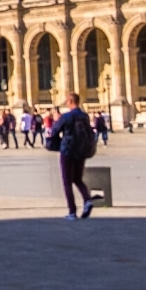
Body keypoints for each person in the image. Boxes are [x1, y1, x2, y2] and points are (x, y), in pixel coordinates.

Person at [47, 92, 95, 220]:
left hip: (67, 150)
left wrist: (56, 120)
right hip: (81, 150)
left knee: (67, 182)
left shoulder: (66, 117)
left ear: (69, 102)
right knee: (78, 179)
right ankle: (87, 200)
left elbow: (54, 131)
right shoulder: (84, 116)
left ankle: (72, 211)